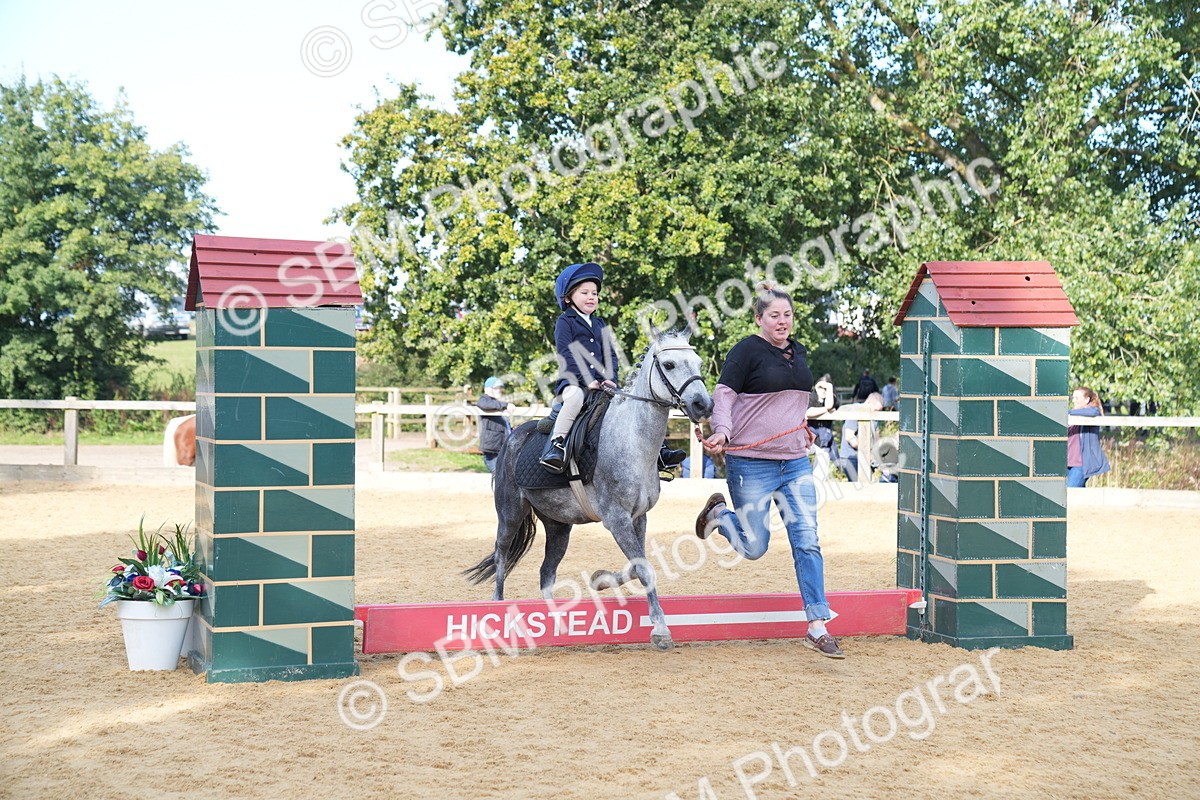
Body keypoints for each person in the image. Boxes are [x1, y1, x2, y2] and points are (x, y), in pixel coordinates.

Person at [692, 286, 844, 659]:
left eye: (787, 315)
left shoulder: (799, 352)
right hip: (751, 463)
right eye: (774, 315)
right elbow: (725, 395)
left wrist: (801, 422)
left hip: (793, 461)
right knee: (754, 547)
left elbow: (791, 400)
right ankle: (720, 514)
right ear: (759, 319)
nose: (782, 321)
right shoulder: (745, 351)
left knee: (807, 539)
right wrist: (722, 432)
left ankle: (817, 625)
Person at [540, 262, 619, 473]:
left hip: (602, 383)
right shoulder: (565, 321)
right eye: (584, 292)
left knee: (628, 403)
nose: (592, 297)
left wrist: (611, 378)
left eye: (594, 293)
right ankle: (556, 444)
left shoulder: (600, 324)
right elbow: (566, 353)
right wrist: (586, 379)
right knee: (575, 398)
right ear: (568, 298)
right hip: (573, 381)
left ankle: (659, 451)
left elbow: (610, 354)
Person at [834, 392, 884, 483]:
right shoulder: (856, 412)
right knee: (858, 486)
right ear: (868, 404)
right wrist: (866, 450)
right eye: (875, 410)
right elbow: (849, 436)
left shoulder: (875, 415)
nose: (877, 413)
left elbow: (877, 437)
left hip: (866, 457)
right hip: (851, 457)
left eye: (879, 411)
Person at [1068, 386, 1111, 487]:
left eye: (1077, 398)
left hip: (1081, 463)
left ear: (1087, 400)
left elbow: (1094, 412)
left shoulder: (1090, 412)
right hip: (1067, 461)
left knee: (1070, 493)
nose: (1074, 401)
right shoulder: (1074, 414)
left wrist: (1067, 412)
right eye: (1073, 398)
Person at [476, 376, 513, 473]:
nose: (499, 390)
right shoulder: (485, 399)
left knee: (503, 476)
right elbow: (483, 404)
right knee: (498, 475)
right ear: (487, 389)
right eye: (496, 388)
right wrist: (505, 405)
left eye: (500, 388)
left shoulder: (497, 403)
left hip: (500, 446)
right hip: (492, 447)